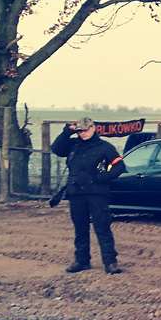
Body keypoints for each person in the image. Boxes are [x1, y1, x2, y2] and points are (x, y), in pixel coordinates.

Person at [50, 117, 125, 274]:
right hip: (76, 193)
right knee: (80, 229)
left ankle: (110, 262)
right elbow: (56, 149)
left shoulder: (105, 147)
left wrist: (100, 178)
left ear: (93, 128)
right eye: (79, 131)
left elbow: (119, 167)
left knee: (102, 227)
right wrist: (66, 132)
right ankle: (82, 261)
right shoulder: (73, 145)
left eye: (85, 130)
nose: (82, 134)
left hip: (97, 194)